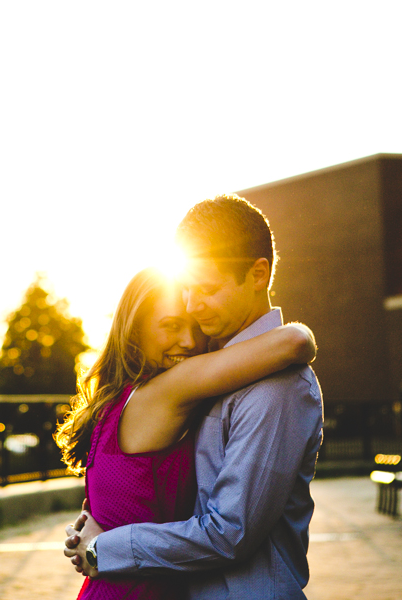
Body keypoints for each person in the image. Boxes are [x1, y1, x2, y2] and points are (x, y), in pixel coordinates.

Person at [65, 194, 324, 599]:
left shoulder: (277, 386)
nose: (193, 305)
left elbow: (229, 533)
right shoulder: (205, 374)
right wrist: (103, 517)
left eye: (207, 288)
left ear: (258, 274)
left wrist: (106, 546)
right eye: (186, 288)